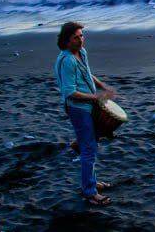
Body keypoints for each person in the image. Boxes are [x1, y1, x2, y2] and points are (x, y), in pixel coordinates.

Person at [54, 22, 118, 206]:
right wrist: (95, 97)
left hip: (88, 105)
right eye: (76, 37)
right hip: (77, 108)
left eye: (82, 35)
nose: (81, 39)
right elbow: (70, 92)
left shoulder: (81, 53)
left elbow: (88, 74)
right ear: (66, 41)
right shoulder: (67, 61)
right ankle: (90, 192)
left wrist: (102, 86)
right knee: (89, 149)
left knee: (91, 142)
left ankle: (90, 179)